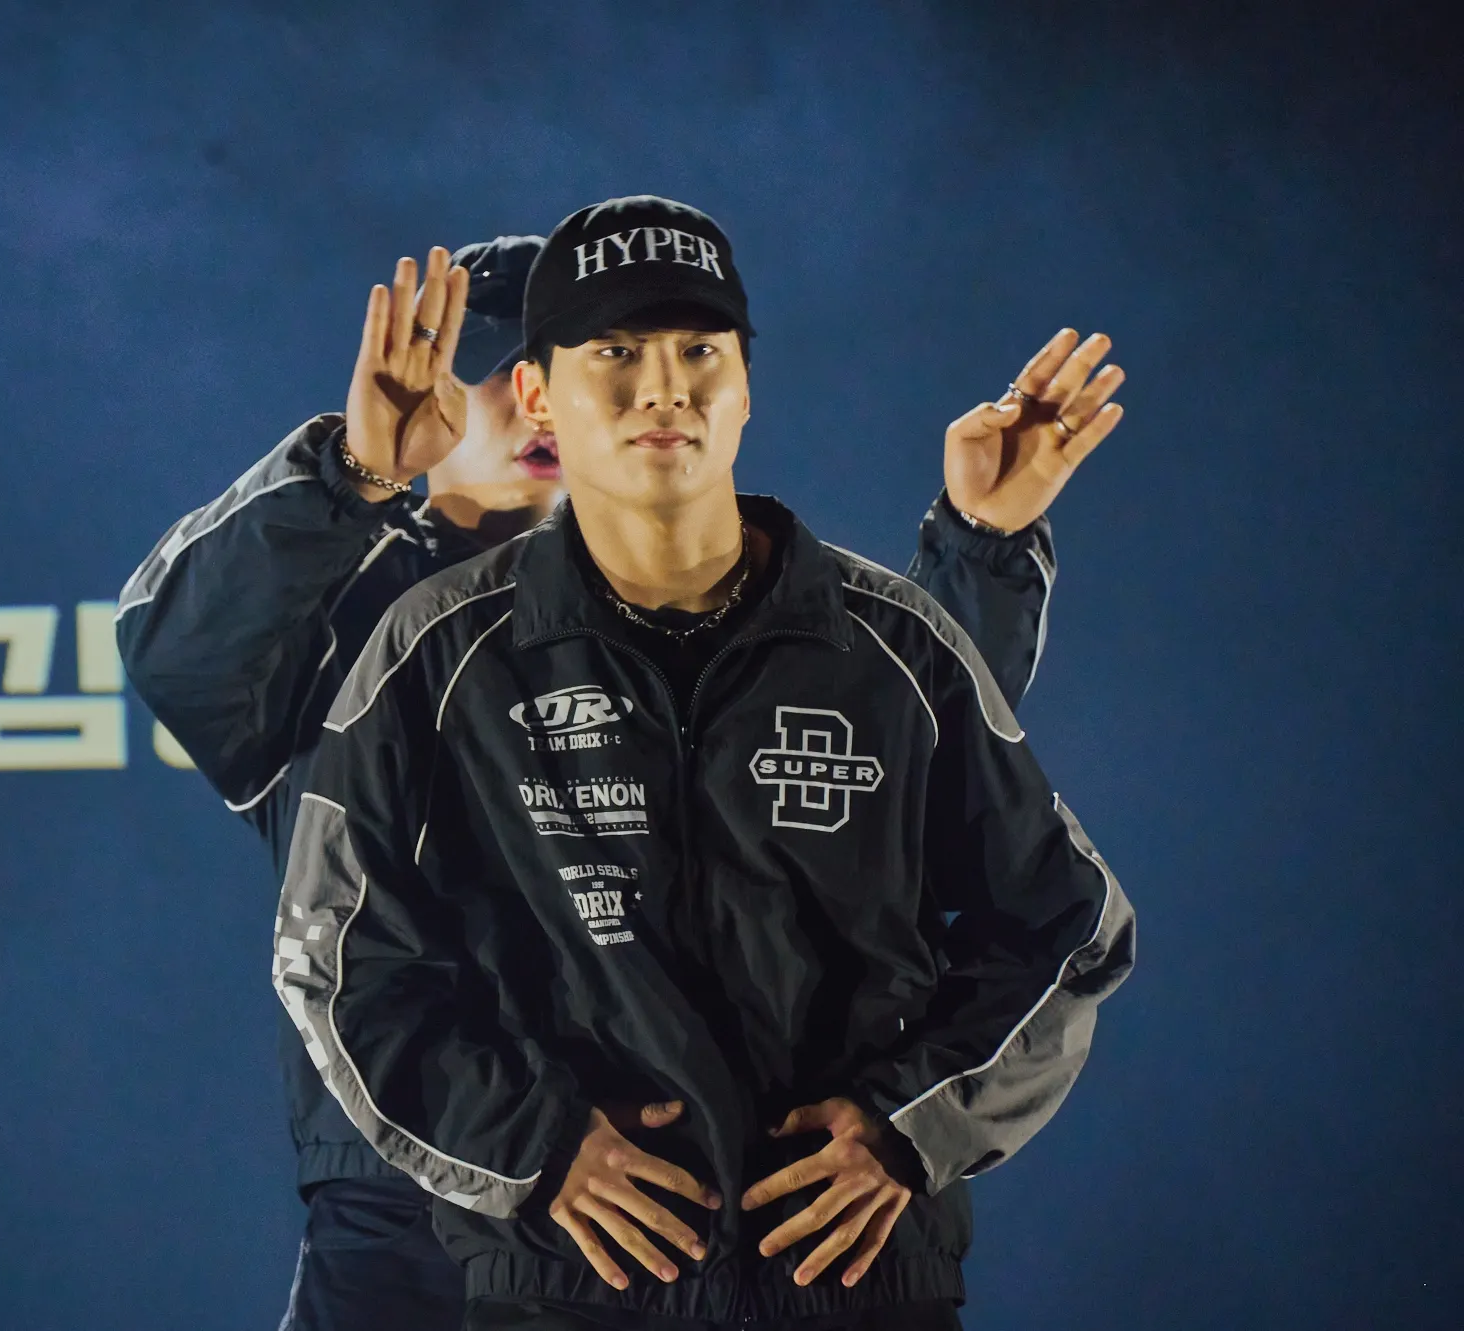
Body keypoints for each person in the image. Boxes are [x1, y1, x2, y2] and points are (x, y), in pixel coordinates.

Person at [120, 222, 1108, 1329]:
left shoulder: (739, 591)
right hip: (408, 1190)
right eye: (497, 373)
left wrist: (978, 546)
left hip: (728, 1207)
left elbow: (885, 779)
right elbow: (181, 655)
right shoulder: (353, 624)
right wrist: (353, 476)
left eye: (679, 354)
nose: (633, 391)